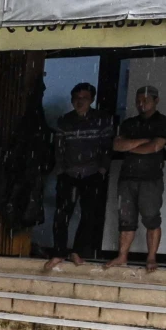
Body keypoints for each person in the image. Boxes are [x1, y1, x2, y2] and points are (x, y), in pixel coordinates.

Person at [46, 82, 114, 271]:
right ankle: (59, 252)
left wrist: (102, 170)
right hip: (68, 173)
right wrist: (60, 170)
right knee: (62, 214)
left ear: (92, 99)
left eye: (84, 98)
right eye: (76, 98)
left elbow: (107, 148)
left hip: (92, 173)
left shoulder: (102, 119)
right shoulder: (65, 121)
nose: (79, 101)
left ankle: (77, 251)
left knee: (88, 214)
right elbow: (58, 149)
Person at [108, 84, 166, 272]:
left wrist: (132, 147)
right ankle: (122, 256)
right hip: (127, 177)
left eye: (145, 100)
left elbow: (155, 147)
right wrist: (143, 141)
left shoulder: (163, 122)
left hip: (150, 178)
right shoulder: (129, 123)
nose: (141, 104)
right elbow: (117, 146)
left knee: (151, 218)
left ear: (156, 101)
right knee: (125, 219)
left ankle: (151, 258)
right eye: (138, 101)